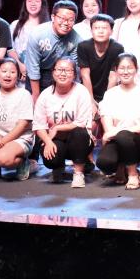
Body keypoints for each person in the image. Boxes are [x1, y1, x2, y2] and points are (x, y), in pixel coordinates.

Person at [33, 58, 94, 188]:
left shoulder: (81, 91)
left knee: (79, 133)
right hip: (56, 140)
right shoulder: (45, 95)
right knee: (51, 158)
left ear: (74, 74)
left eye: (67, 70)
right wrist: (48, 142)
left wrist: (57, 128)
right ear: (53, 72)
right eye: (59, 69)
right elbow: (39, 125)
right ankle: (58, 167)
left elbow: (81, 123)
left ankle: (78, 173)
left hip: (78, 140)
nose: (62, 73)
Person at [97, 53, 140, 189]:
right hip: (117, 140)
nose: (126, 71)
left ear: (136, 70)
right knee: (104, 163)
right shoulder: (110, 94)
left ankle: (133, 174)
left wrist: (120, 131)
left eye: (129, 68)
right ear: (116, 70)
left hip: (138, 142)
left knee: (124, 135)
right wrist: (114, 133)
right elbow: (108, 129)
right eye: (122, 68)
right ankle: (120, 167)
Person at [24, 0, 81, 103]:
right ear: (53, 17)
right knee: (35, 105)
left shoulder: (76, 39)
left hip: (59, 73)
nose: (66, 23)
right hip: (37, 72)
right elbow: (33, 67)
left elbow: (74, 68)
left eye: (71, 20)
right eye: (62, 18)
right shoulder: (37, 34)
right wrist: (36, 95)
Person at [77, 13, 125, 104]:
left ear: (111, 31)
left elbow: (113, 76)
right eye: (96, 28)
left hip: (110, 91)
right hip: (87, 92)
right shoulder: (83, 46)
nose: (100, 31)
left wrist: (106, 101)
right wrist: (90, 100)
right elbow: (85, 75)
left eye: (104, 28)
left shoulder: (117, 48)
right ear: (91, 31)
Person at [9, 0, 50, 85]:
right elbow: (9, 48)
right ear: (25, 3)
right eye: (30, 1)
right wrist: (20, 65)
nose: (33, 4)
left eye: (37, 1)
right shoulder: (15, 25)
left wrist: (32, 69)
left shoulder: (48, 27)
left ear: (42, 4)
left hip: (41, 75)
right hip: (18, 73)